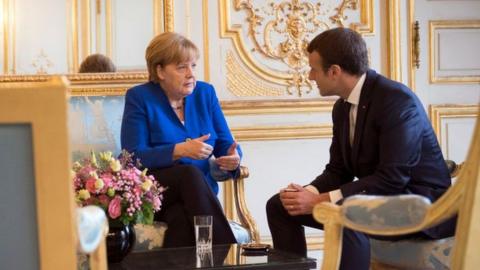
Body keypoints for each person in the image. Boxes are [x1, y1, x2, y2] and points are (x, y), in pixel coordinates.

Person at [266, 27, 456, 270]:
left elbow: (393, 178)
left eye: (313, 68)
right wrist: (307, 193)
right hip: (380, 199)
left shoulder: (397, 101)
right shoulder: (342, 108)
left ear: (334, 72)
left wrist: (320, 201)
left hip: (422, 207)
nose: (310, 76)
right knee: (280, 206)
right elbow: (338, 170)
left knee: (350, 213)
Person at [120, 32, 240, 247]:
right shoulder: (140, 97)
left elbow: (224, 143)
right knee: (188, 172)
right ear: (160, 70)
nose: (191, 74)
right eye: (182, 67)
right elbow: (132, 158)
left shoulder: (205, 93)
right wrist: (180, 150)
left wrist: (232, 158)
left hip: (197, 198)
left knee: (181, 222)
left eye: (193, 66)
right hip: (157, 192)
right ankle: (228, 251)